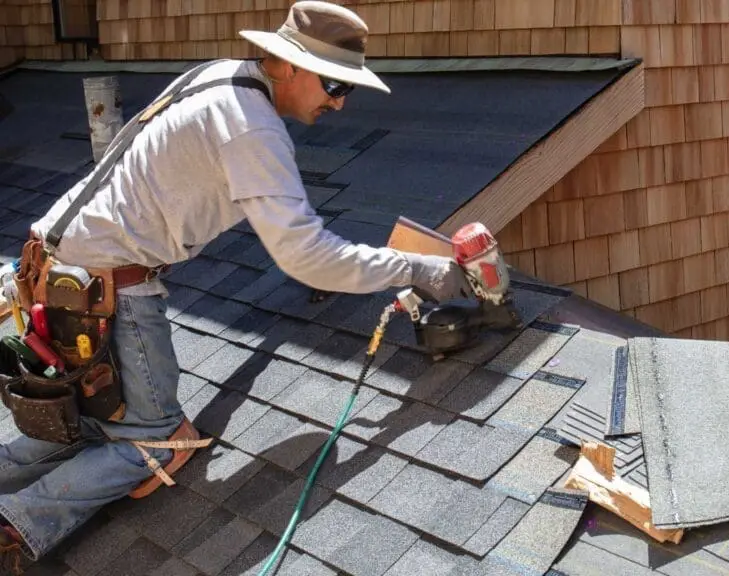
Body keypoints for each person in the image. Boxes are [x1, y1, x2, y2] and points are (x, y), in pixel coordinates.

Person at [0, 1, 470, 570]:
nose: (338, 103)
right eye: (332, 84)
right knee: (157, 439)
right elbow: (308, 256)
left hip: (54, 266)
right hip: (106, 284)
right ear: (287, 65)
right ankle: (16, 526)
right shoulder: (251, 127)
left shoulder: (221, 74)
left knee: (85, 422)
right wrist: (417, 269)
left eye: (349, 90)